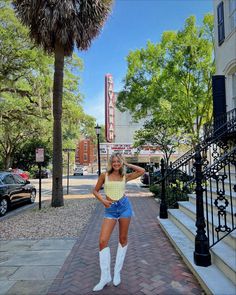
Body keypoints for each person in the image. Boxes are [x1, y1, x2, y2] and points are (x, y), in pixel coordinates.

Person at [92, 152, 145, 292]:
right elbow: (95, 191)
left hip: (124, 208)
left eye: (119, 161)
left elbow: (142, 171)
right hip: (110, 209)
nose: (116, 163)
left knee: (122, 239)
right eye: (114, 161)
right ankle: (105, 277)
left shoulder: (124, 176)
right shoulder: (104, 175)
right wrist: (103, 200)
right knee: (102, 241)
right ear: (111, 163)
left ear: (121, 163)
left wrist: (127, 163)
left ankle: (117, 273)